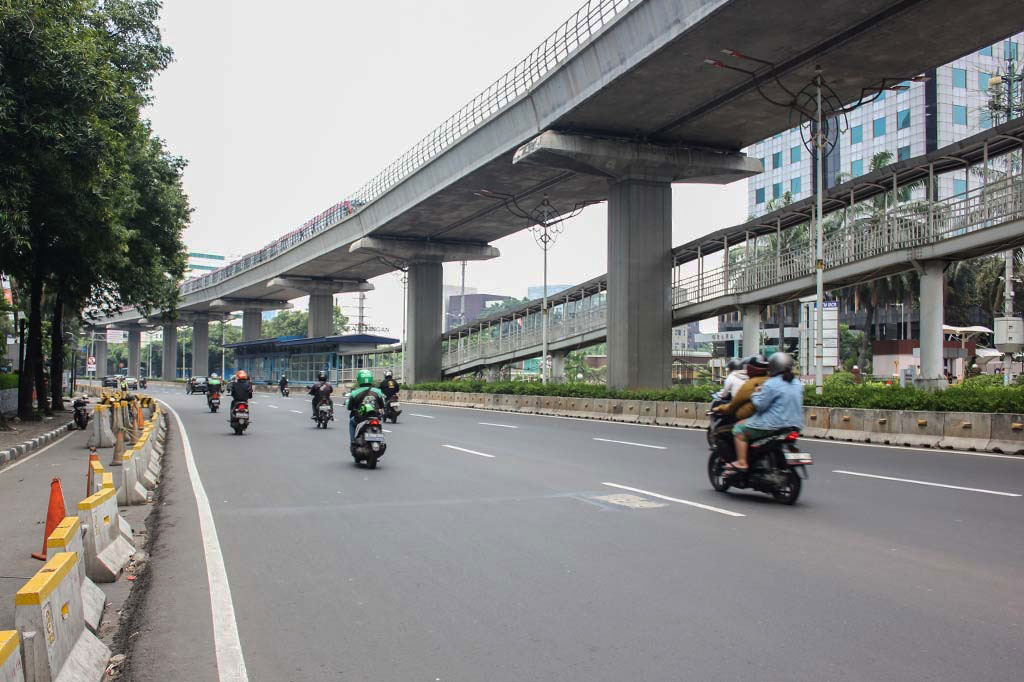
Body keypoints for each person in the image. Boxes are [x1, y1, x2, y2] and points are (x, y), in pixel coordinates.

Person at [727, 352, 803, 474]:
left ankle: (742, 462)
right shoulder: (797, 383)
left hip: (772, 425)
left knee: (738, 429)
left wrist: (756, 393)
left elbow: (760, 406)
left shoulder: (771, 384)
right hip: (795, 425)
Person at [712, 355, 769, 421]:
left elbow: (733, 404)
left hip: (749, 418)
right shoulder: (771, 380)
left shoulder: (750, 384)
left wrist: (719, 408)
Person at [346, 369, 385, 448]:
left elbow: (350, 407)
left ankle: (353, 442)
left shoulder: (355, 393)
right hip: (375, 417)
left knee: (351, 422)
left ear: (359, 379)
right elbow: (382, 405)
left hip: (360, 418)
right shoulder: (378, 391)